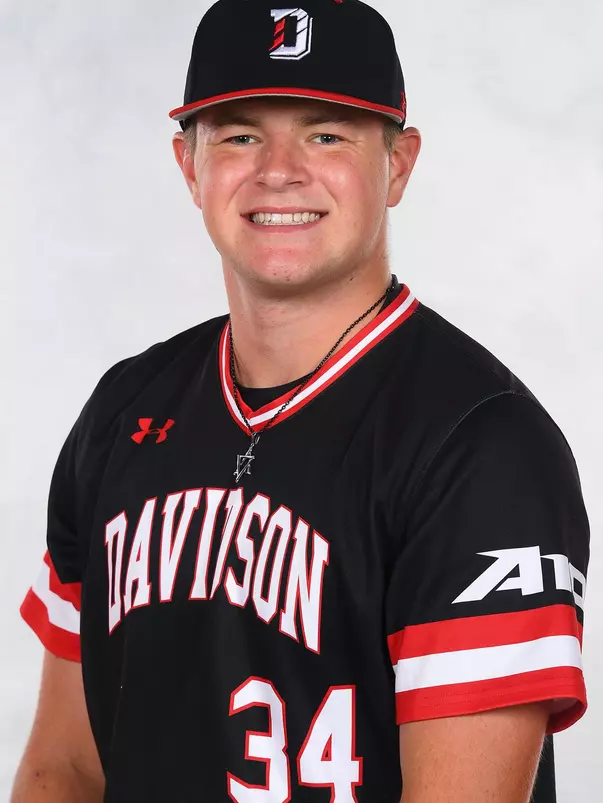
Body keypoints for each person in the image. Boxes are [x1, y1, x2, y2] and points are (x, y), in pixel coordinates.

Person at [12, 1, 589, 801]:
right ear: (189, 165)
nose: (278, 170)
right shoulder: (121, 412)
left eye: (326, 134)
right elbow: (63, 769)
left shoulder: (481, 446)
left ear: (397, 164)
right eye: (241, 134)